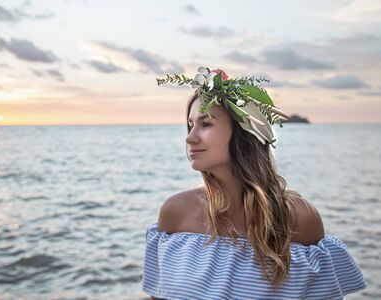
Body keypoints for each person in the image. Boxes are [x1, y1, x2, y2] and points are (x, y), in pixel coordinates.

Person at [142, 67, 367, 299]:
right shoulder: (176, 213)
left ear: (244, 132)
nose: (190, 137)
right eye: (191, 125)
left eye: (206, 124)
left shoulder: (300, 217)